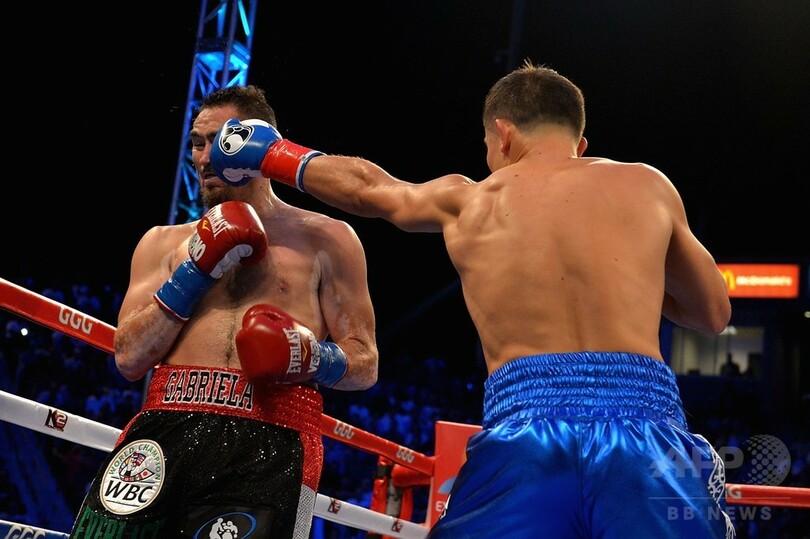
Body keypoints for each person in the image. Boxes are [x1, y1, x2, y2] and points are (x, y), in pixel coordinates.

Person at [211, 61, 735, 538]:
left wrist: (274, 154)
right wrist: (628, 272)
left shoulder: (469, 200)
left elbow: (369, 189)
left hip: (524, 441)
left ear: (502, 134)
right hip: (645, 437)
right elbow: (713, 313)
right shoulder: (647, 185)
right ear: (579, 142)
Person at [69, 85, 378, 539]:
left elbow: (365, 363)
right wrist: (195, 270)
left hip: (272, 442)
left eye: (221, 141)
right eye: (198, 143)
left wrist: (312, 357)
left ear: (262, 145)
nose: (205, 157)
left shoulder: (327, 240)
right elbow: (129, 358)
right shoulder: (161, 243)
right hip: (163, 429)